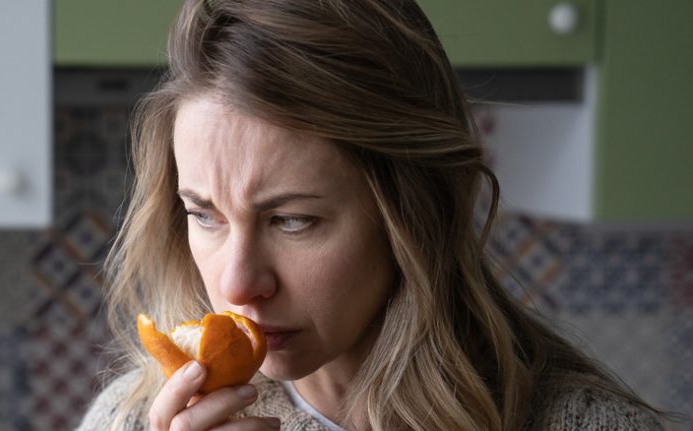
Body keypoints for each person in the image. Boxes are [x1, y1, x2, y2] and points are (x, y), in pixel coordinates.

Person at [77, 0, 667, 430]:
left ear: (413, 214)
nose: (236, 285)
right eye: (204, 215)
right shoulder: (128, 420)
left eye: (292, 220)